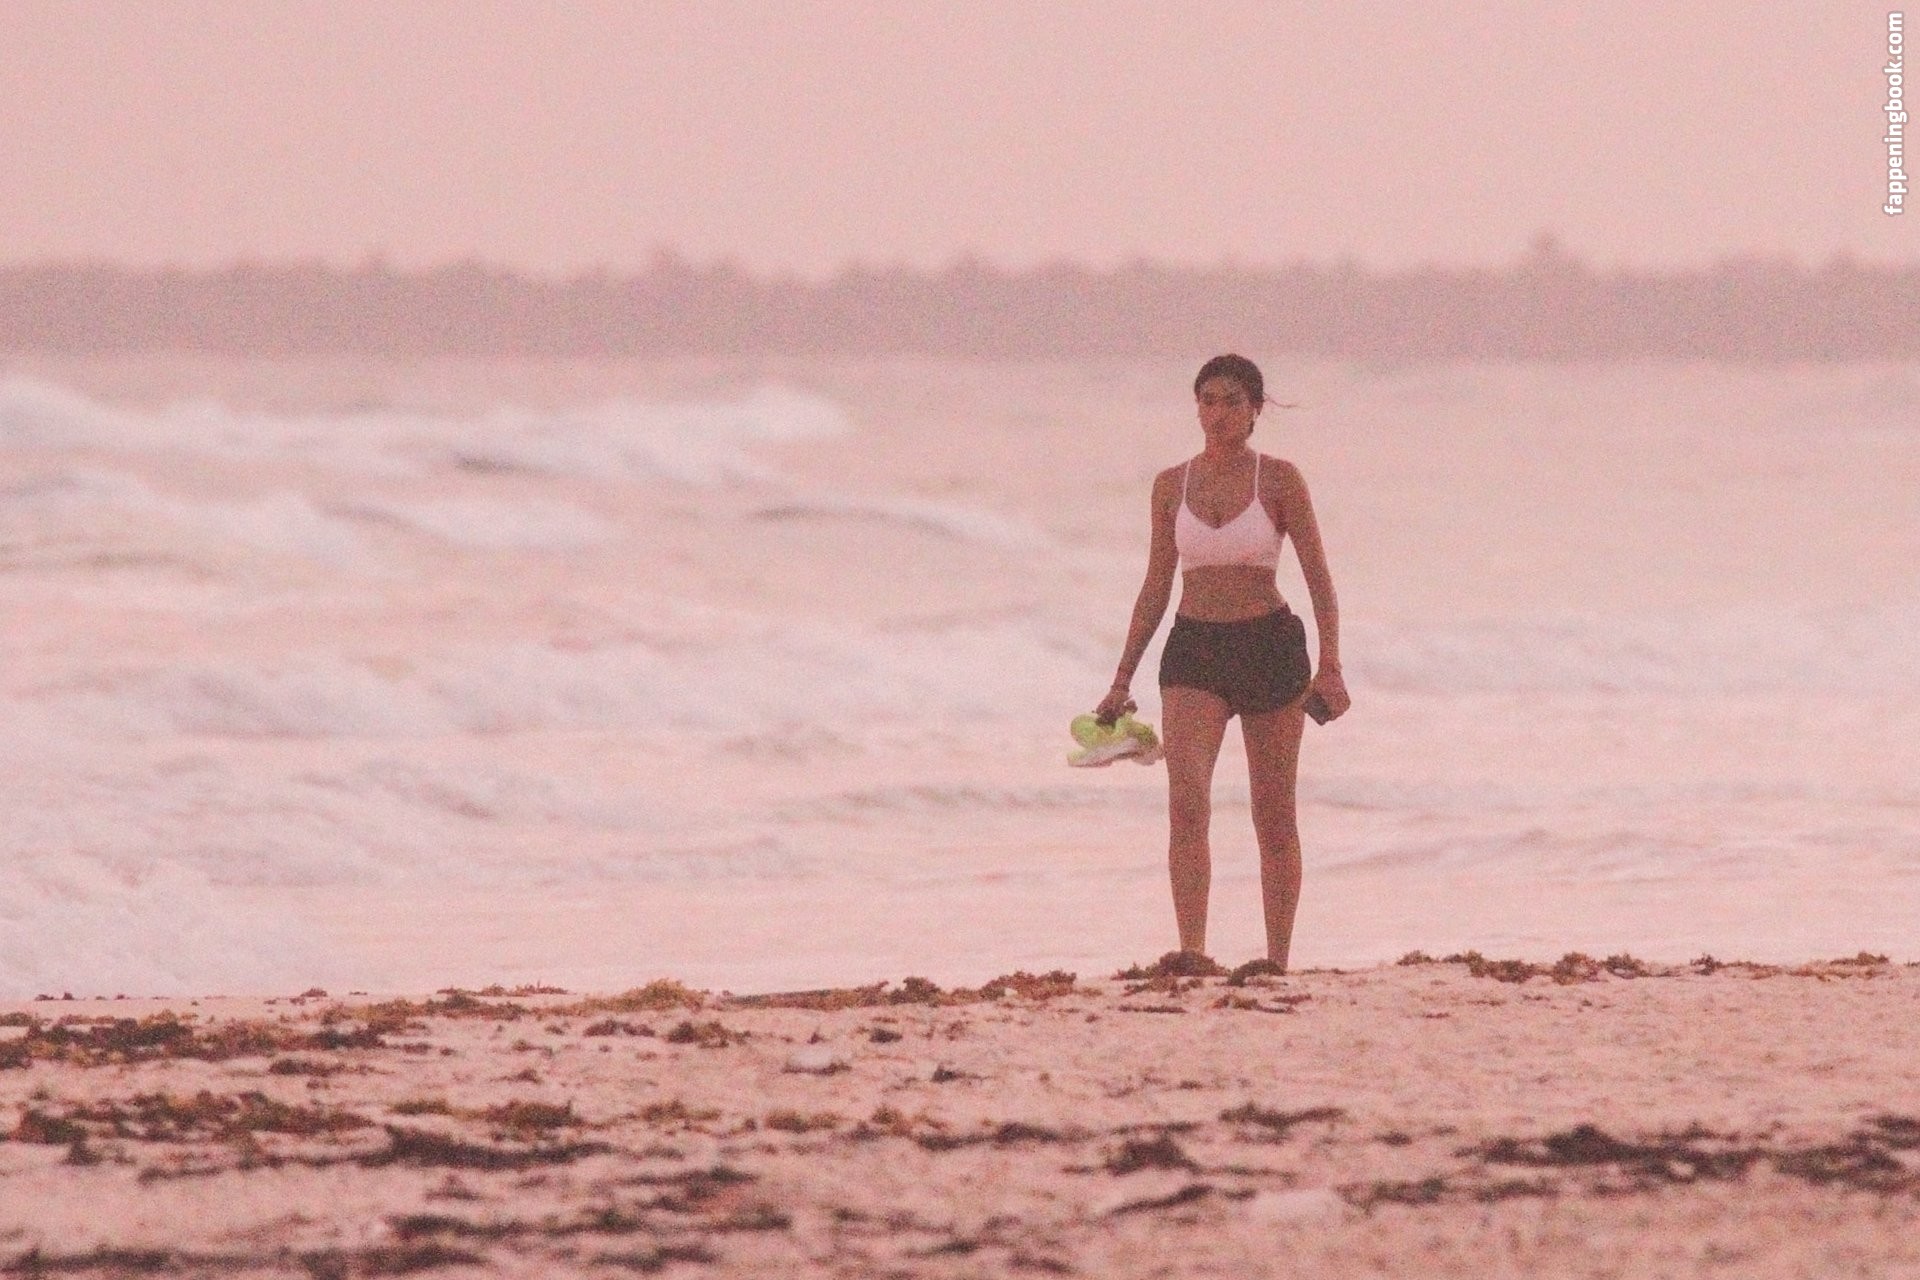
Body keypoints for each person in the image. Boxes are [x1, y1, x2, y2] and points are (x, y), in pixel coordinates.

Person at [1095, 354, 1348, 972]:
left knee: (1273, 812)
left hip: (1269, 647)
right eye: (1207, 401)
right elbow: (1155, 586)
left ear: (1256, 410)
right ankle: (1193, 951)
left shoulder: (1279, 480)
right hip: (1194, 650)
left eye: (1233, 401)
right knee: (1187, 801)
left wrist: (1331, 666)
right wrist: (1121, 679)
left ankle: (1276, 959)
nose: (1218, 414)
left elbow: (1319, 578)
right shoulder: (1170, 485)